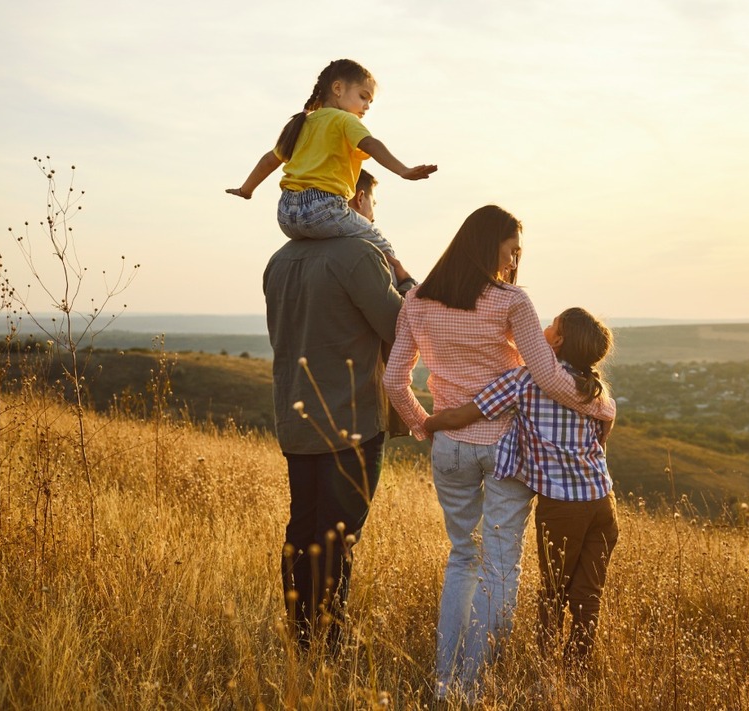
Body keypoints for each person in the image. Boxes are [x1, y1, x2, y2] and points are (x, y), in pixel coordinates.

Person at [382, 205, 616, 701]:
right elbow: (552, 377)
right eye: (512, 251)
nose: (514, 263)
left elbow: (392, 380)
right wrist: (603, 406)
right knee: (501, 567)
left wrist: (423, 426)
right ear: (491, 246)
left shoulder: (419, 301)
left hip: (450, 446)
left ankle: (446, 683)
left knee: (463, 557)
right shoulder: (511, 301)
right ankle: (473, 686)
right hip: (507, 451)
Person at [424, 306, 620, 670]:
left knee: (553, 592)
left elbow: (467, 413)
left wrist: (429, 422)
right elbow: (604, 427)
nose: (544, 328)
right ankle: (574, 674)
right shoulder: (593, 391)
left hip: (563, 507)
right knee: (587, 593)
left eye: (551, 325)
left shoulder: (523, 381)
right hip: (602, 503)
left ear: (558, 341)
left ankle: (547, 672)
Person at [265, 220, 404, 653]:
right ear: (356, 202)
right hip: (351, 420)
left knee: (303, 527)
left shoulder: (279, 259)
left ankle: (301, 635)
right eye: (373, 204)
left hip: (296, 415)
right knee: (337, 536)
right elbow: (401, 327)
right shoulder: (359, 255)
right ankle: (326, 643)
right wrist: (404, 279)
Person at [228, 58, 437, 291]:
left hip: (286, 215)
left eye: (370, 101)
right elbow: (370, 144)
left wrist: (246, 190)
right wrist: (403, 170)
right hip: (324, 209)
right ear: (338, 89)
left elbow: (269, 160)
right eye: (363, 96)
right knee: (381, 245)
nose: (367, 106)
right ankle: (408, 296)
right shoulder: (345, 119)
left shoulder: (300, 124)